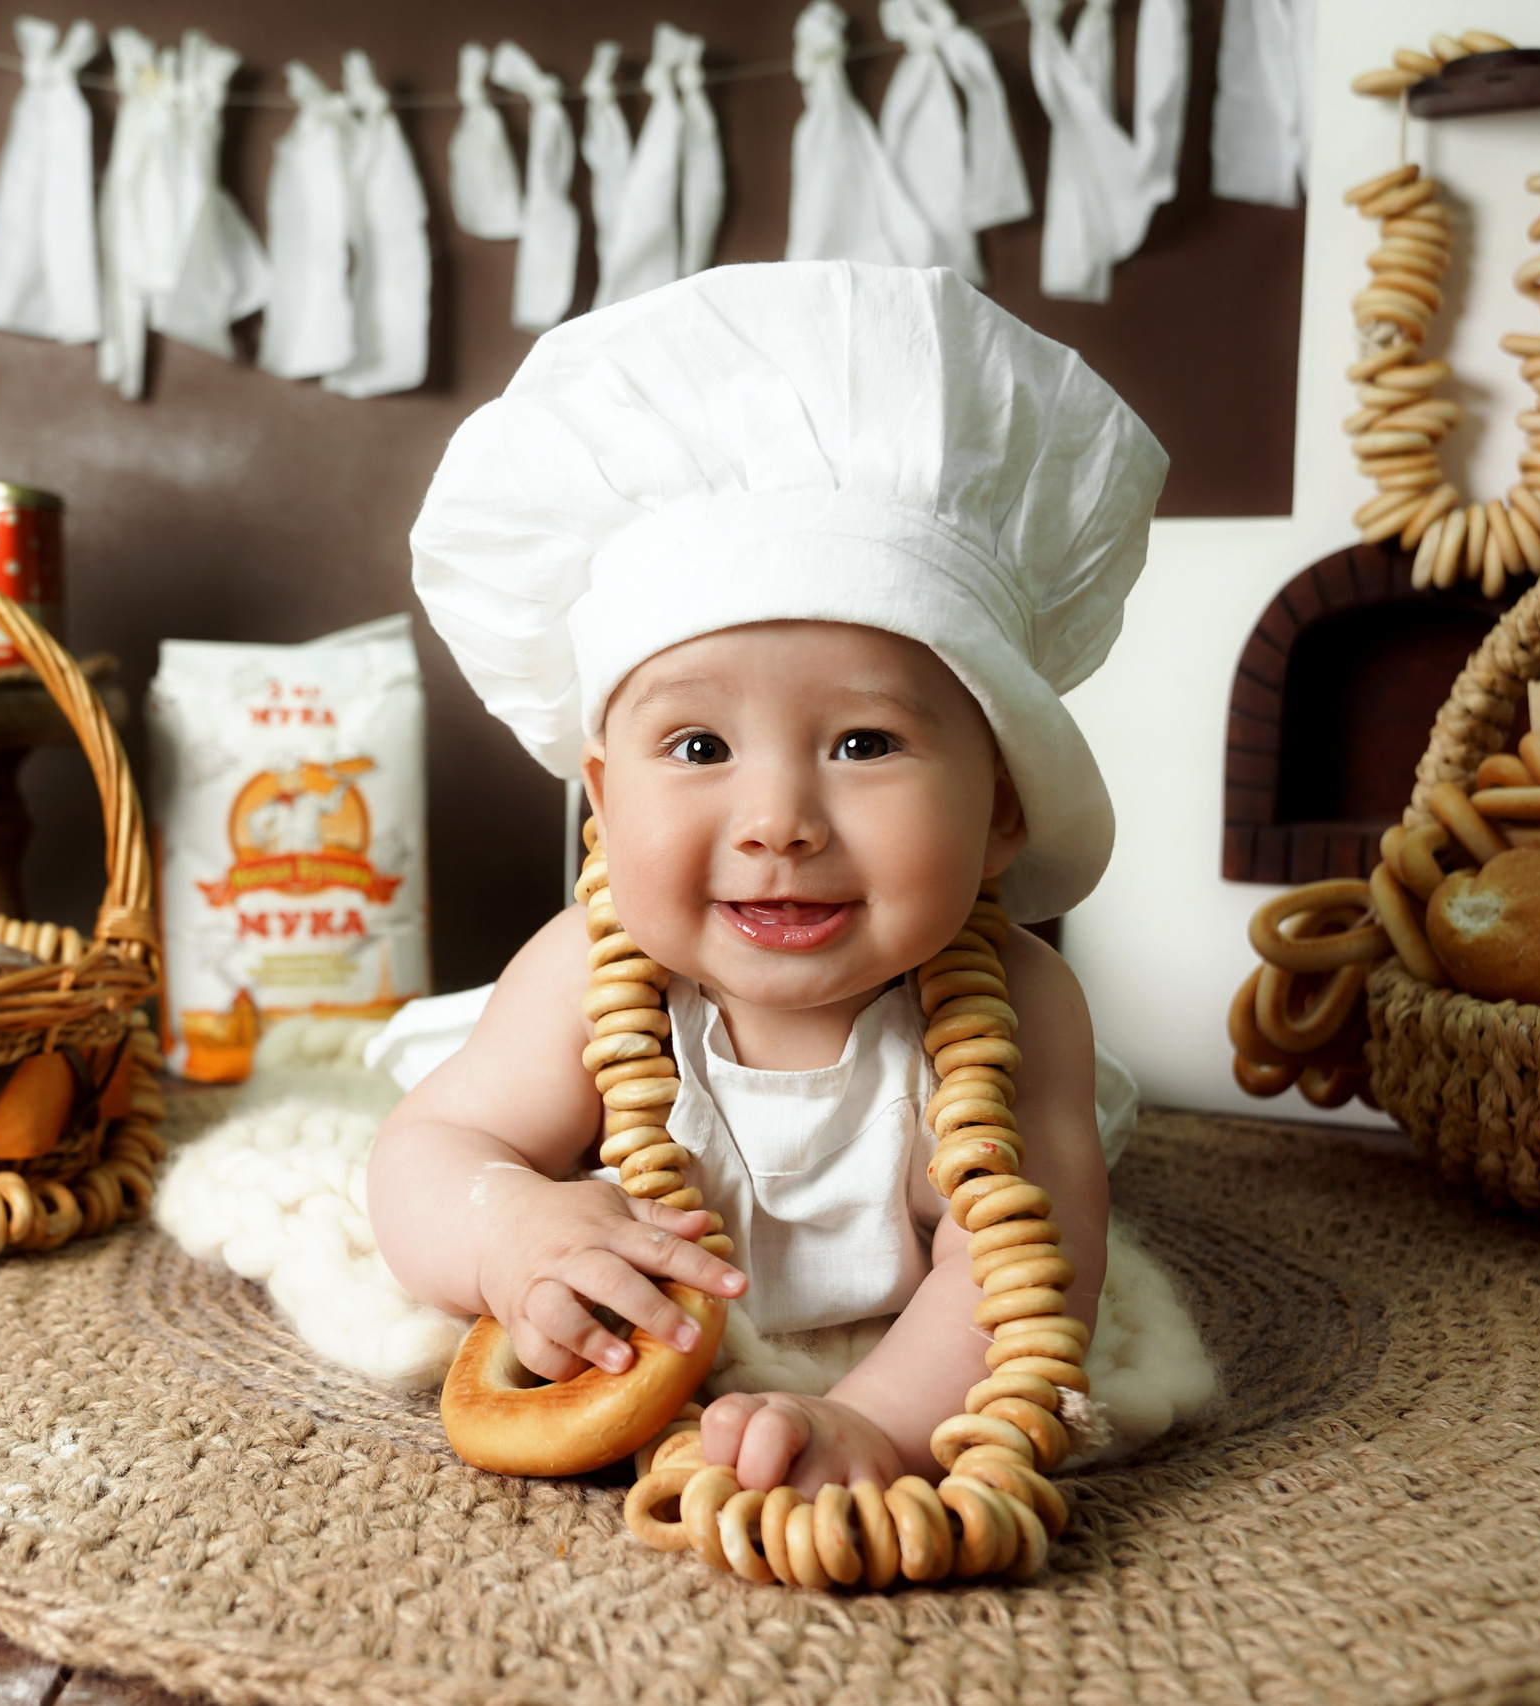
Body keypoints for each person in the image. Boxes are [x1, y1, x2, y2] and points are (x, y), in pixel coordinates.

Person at [369, 261, 1166, 1494]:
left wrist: (879, 1422)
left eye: (864, 743)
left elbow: (1020, 1273)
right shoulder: (590, 972)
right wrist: (510, 1228)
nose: (779, 821)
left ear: (1001, 807)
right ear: (601, 794)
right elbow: (425, 1149)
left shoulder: (1013, 1012)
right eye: (697, 748)